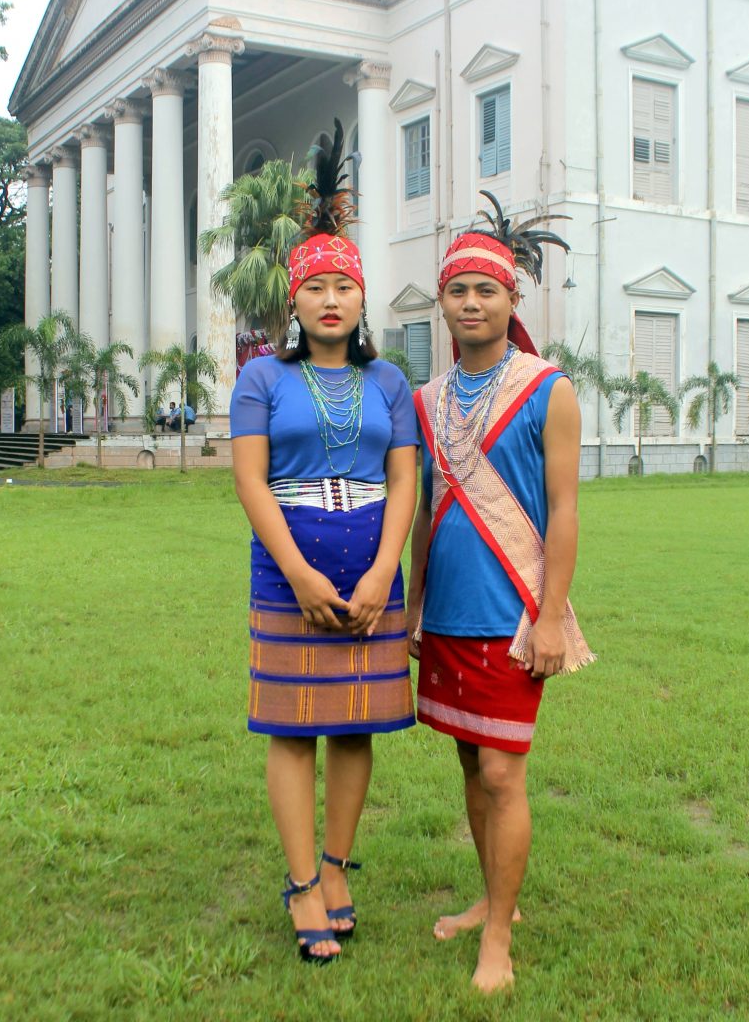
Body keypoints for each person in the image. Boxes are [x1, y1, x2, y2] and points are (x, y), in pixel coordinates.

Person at [230, 120, 418, 966]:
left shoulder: (389, 382)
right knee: (292, 728)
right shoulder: (262, 378)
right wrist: (299, 571)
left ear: (361, 299)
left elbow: (406, 481)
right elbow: (250, 483)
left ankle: (339, 869)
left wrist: (384, 570)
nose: (332, 299)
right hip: (290, 570)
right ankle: (302, 882)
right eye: (317, 288)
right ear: (294, 303)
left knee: (354, 727)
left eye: (346, 284)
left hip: (374, 568)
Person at [406, 191, 595, 993]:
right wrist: (412, 607)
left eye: (488, 289)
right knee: (465, 763)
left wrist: (550, 620)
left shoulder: (548, 389)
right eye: (459, 290)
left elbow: (564, 510)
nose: (473, 302)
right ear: (442, 302)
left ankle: (498, 946)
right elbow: (421, 514)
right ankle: (495, 906)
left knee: (501, 775)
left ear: (513, 298)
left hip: (513, 618)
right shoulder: (426, 400)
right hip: (445, 614)